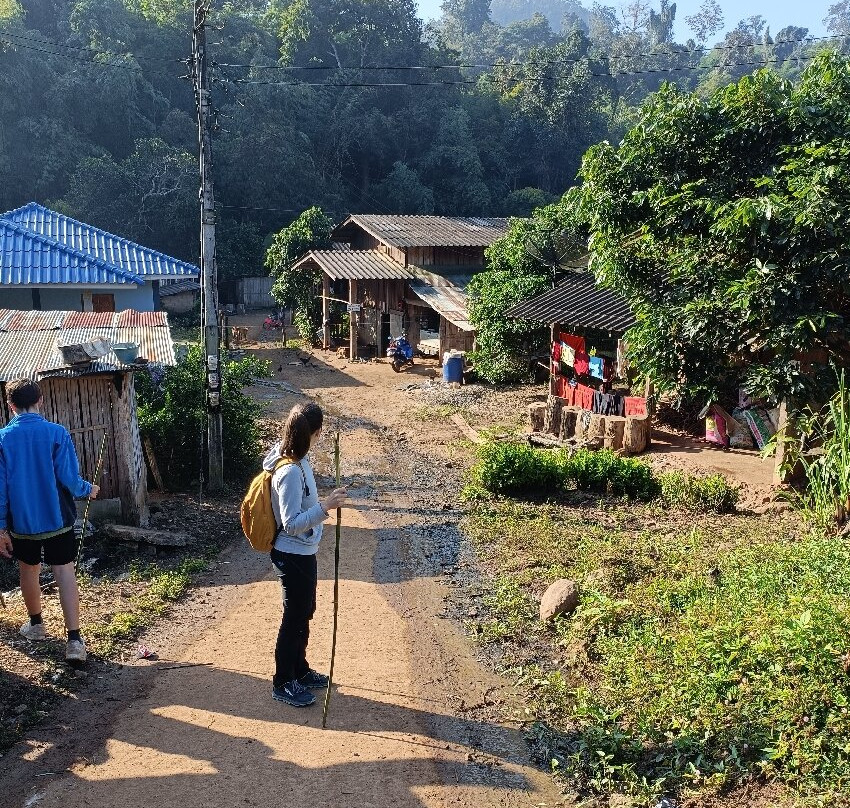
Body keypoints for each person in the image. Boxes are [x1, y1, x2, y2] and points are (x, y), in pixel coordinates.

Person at [0, 379, 100, 664]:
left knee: (28, 571)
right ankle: (74, 641)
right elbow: (68, 478)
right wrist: (87, 489)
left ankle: (36, 625)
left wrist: (0, 527)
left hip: (22, 524)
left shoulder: (3, 439)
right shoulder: (57, 433)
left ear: (11, 406)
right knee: (64, 571)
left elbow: (1, 488)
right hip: (58, 520)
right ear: (41, 401)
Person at [263, 401, 347, 707]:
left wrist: (323, 503)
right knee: (294, 617)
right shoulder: (290, 472)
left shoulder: (299, 458)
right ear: (314, 433)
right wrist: (325, 507)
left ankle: (299, 670)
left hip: (303, 553)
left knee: (304, 612)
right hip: (292, 554)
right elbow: (291, 524)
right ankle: (283, 681)